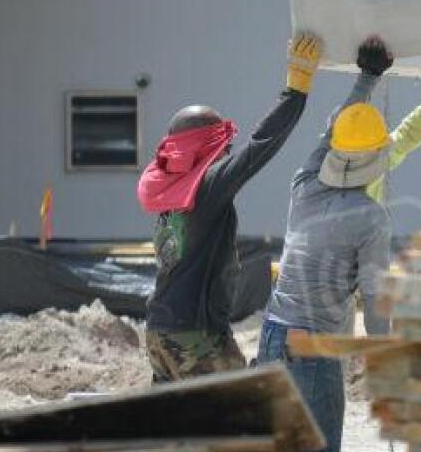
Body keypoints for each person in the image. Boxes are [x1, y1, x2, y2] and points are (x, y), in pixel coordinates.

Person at [137, 34, 322, 383]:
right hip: (195, 334)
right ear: (209, 146)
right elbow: (259, 146)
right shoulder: (207, 186)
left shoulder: (172, 191)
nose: (227, 153)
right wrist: (295, 92)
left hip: (159, 331)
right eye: (223, 145)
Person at [257, 37, 395, 452]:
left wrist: (367, 77)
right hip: (313, 346)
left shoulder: (305, 183)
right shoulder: (370, 218)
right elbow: (375, 299)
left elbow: (334, 128)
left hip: (272, 336)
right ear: (377, 158)